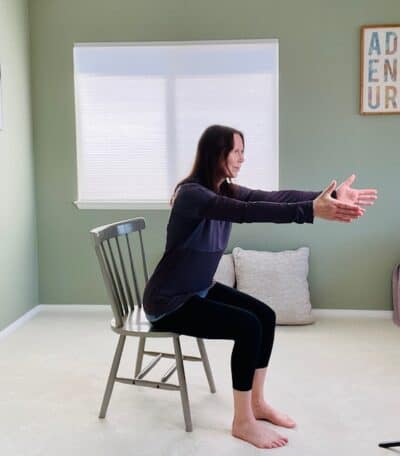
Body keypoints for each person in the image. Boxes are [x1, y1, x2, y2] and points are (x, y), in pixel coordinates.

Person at [143, 125, 377, 449]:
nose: (242, 158)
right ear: (216, 153)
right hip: (169, 301)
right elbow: (247, 212)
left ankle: (257, 403)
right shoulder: (193, 195)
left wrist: (331, 197)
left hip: (198, 287)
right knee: (248, 326)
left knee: (264, 315)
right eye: (236, 151)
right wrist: (311, 210)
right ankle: (243, 421)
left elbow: (274, 198)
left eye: (243, 151)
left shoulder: (225, 190)